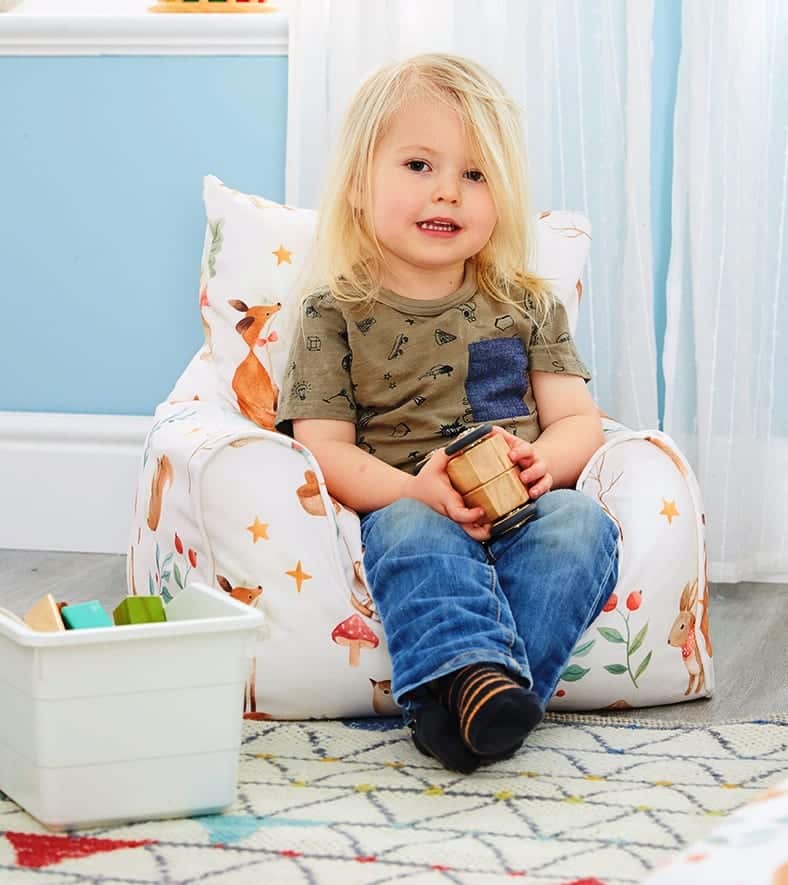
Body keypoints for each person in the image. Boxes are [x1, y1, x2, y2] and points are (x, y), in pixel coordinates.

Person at [276, 53, 620, 773]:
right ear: (358, 186)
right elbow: (324, 450)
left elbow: (578, 421)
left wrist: (542, 463)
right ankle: (482, 704)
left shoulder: (526, 302)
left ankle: (460, 702)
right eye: (418, 165)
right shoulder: (333, 312)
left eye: (475, 174)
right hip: (414, 508)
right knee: (407, 529)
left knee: (583, 523)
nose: (447, 192)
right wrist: (415, 490)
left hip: (520, 509)